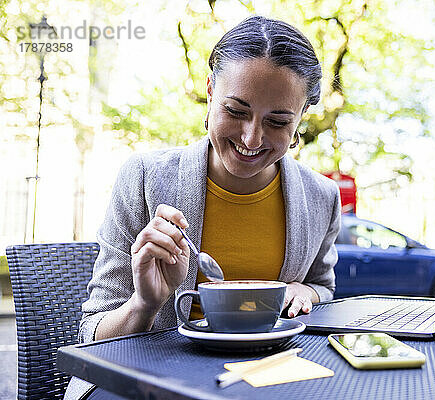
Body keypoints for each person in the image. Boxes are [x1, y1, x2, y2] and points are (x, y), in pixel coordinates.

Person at [64, 15, 341, 399]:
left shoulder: (321, 197)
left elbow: (323, 288)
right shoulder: (145, 178)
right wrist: (144, 304)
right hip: (150, 383)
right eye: (237, 110)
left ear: (300, 119)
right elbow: (91, 334)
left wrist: (304, 292)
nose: (252, 137)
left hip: (267, 380)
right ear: (211, 91)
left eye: (277, 121)